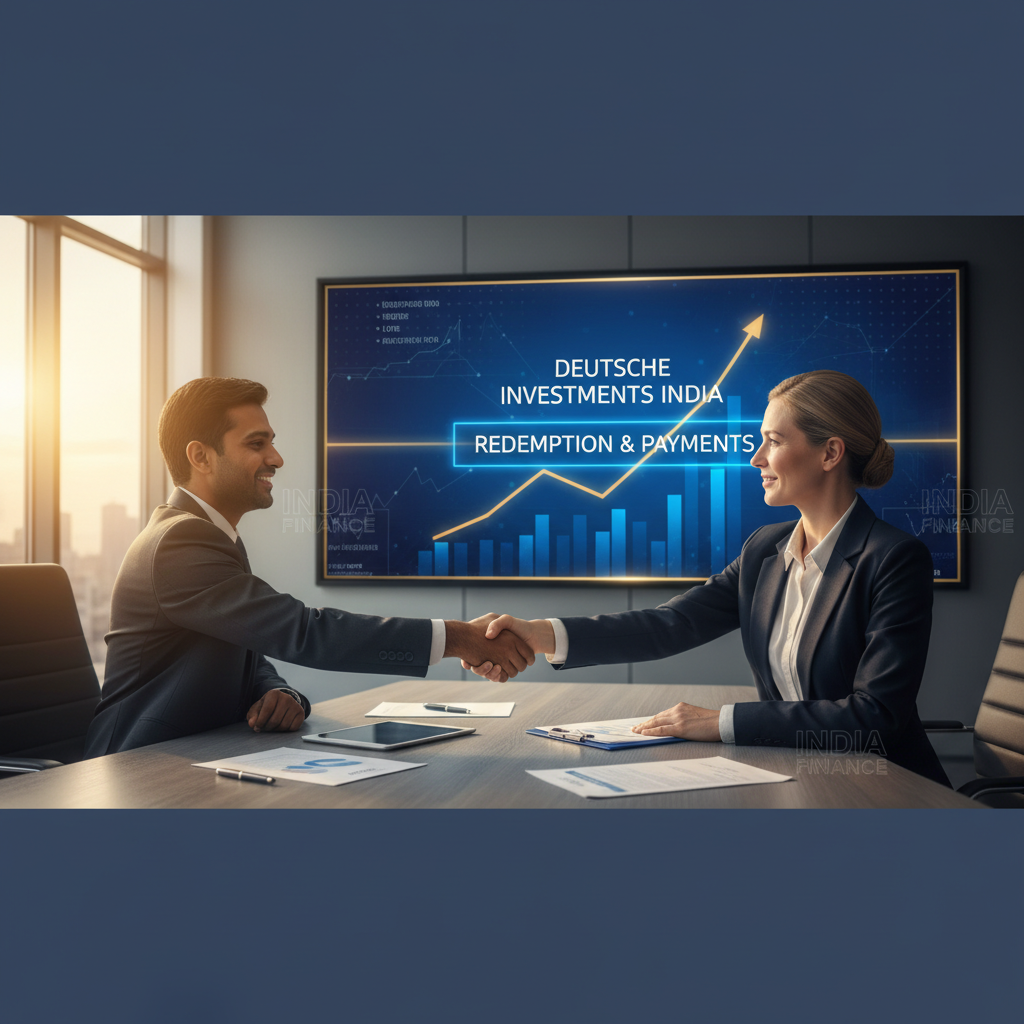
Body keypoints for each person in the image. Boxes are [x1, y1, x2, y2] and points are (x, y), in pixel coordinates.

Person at [469, 370, 950, 786]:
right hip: (798, 774)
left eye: (775, 441)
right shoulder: (766, 549)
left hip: (883, 787)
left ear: (830, 453)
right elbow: (669, 625)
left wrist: (719, 721)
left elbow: (875, 719)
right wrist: (537, 636)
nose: (756, 459)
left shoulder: (894, 560)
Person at [84, 377, 532, 757]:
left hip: (197, 755)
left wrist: (280, 693)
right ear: (200, 457)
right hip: (136, 766)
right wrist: (459, 638)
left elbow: (248, 649)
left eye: (272, 442)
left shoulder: (208, 535)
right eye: (256, 444)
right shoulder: (179, 542)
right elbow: (305, 633)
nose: (276, 459)